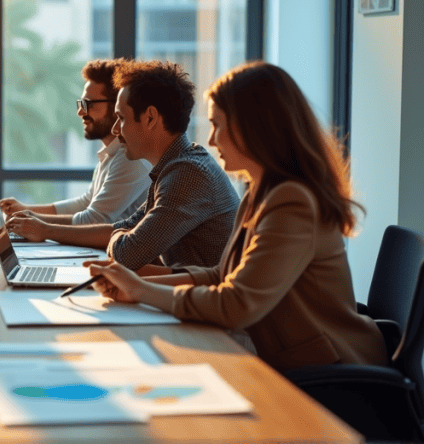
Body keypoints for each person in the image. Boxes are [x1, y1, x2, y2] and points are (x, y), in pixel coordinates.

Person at [87, 62, 387, 372]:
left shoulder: (293, 202)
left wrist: (141, 291)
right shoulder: (263, 190)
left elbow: (236, 305)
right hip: (290, 356)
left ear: (254, 127)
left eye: (218, 125)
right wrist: (137, 281)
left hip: (328, 371)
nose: (212, 140)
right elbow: (222, 276)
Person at [7, 60, 238, 273]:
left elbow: (128, 252)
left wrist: (47, 229)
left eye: (122, 118)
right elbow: (123, 228)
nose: (116, 129)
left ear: (150, 118)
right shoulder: (172, 168)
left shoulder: (188, 175)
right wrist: (45, 228)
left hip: (201, 309)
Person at [0, 59, 150, 226]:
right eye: (81, 104)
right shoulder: (111, 153)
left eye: (88, 104)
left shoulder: (131, 157)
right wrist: (26, 210)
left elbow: (94, 220)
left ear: (117, 106)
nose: (80, 111)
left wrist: (35, 222)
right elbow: (86, 203)